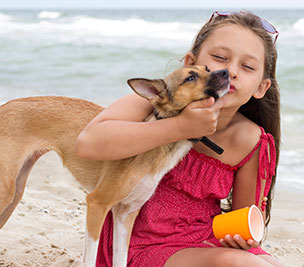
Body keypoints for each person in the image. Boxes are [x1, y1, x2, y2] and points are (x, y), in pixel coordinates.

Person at [75, 10, 283, 267]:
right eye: (220, 58)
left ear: (261, 87)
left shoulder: (251, 139)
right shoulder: (156, 103)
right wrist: (181, 127)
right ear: (190, 63)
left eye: (247, 67)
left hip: (206, 239)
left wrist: (244, 239)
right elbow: (88, 142)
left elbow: (244, 223)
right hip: (142, 242)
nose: (230, 71)